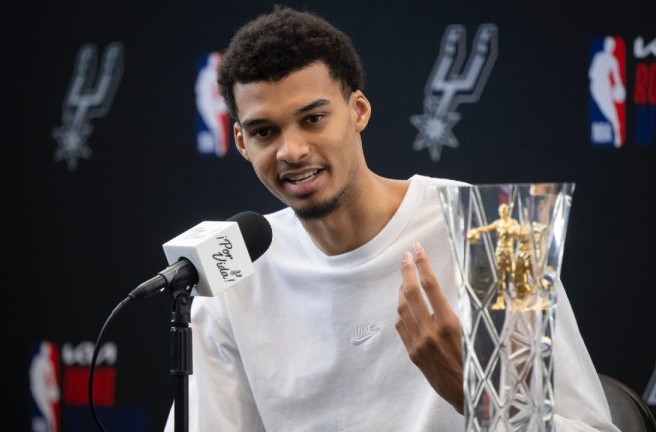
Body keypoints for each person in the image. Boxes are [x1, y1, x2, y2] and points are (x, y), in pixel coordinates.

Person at [166, 7, 618, 431]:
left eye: (313, 118)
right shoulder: (233, 268)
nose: (292, 150)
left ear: (358, 111)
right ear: (242, 143)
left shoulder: (494, 231)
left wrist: (479, 394)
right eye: (266, 131)